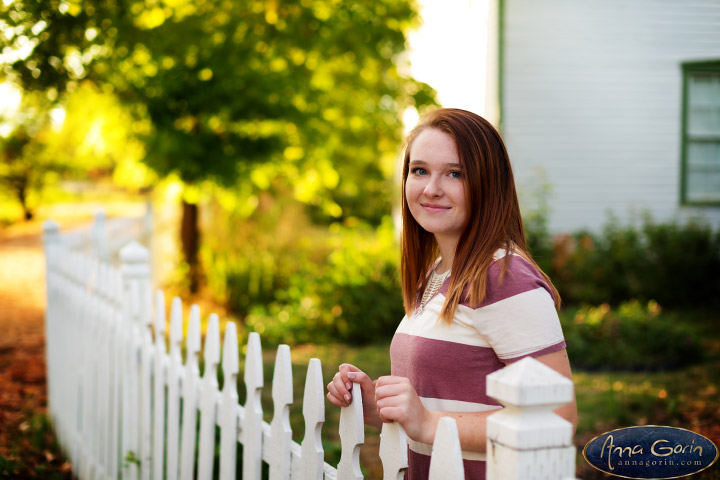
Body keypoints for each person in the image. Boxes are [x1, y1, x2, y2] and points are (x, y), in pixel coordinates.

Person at [326, 108, 577, 479]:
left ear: (487, 184)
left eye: (455, 173)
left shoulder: (503, 276)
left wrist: (429, 422)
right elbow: (443, 400)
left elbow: (558, 415)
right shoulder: (437, 272)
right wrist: (379, 406)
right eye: (420, 170)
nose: (431, 189)